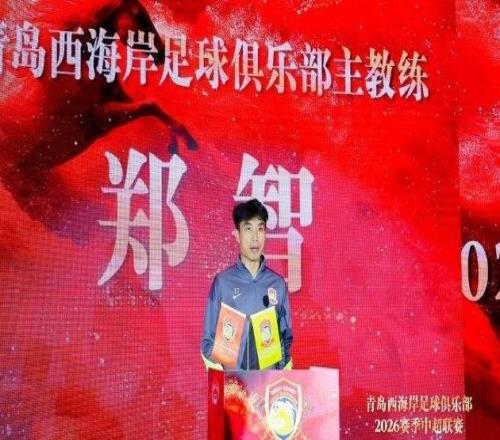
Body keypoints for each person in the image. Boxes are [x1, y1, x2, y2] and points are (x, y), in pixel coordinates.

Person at [201, 199, 293, 370]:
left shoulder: (278, 284)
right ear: (237, 235)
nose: (255, 237)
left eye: (260, 229)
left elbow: (286, 338)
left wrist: (275, 367)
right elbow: (207, 342)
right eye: (248, 229)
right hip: (234, 383)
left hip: (268, 382)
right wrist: (230, 368)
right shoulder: (223, 283)